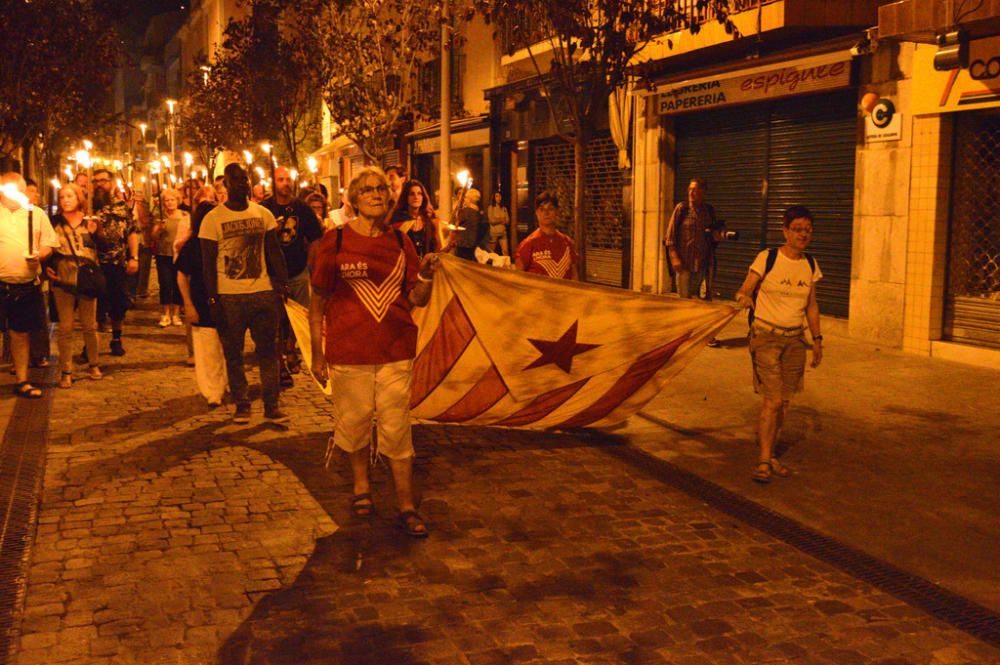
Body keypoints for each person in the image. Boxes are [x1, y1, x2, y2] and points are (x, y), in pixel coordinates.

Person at [309, 166, 439, 538]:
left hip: (396, 348)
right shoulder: (334, 242)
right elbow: (318, 301)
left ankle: (405, 503)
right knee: (355, 421)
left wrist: (427, 276)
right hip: (348, 349)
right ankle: (361, 488)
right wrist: (318, 354)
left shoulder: (401, 243)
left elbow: (415, 298)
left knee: (397, 426)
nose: (377, 194)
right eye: (367, 189)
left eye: (381, 188)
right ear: (352, 197)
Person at [734, 205, 823, 484]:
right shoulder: (767, 258)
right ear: (785, 231)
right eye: (797, 229)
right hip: (766, 337)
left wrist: (817, 340)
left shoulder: (810, 265)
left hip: (795, 340)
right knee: (772, 401)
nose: (803, 235)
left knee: (783, 403)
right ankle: (763, 459)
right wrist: (744, 297)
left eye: (807, 230)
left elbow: (811, 306)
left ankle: (770, 453)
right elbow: (744, 289)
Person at [200, 163, 289, 424]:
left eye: (245, 179)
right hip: (230, 296)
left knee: (268, 352)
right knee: (234, 354)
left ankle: (272, 404)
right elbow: (208, 263)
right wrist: (213, 299)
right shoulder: (213, 219)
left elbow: (274, 252)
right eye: (236, 180)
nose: (242, 184)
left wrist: (281, 285)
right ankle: (242, 404)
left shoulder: (263, 215)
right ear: (226, 185)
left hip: (262, 293)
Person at [0, 172, 59, 398]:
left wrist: (39, 255)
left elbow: (49, 244)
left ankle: (22, 380)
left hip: (25, 283)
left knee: (20, 333)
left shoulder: (36, 214)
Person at [46, 183, 102, 387]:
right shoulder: (54, 222)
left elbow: (101, 248)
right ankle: (66, 370)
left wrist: (96, 234)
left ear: (79, 198)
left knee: (89, 325)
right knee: (65, 327)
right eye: (62, 197)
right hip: (63, 276)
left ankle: (94, 363)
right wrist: (47, 268)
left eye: (70, 196)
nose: (65, 200)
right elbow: (47, 247)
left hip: (86, 276)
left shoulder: (90, 221)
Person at [177, 196, 227, 408]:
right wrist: (188, 304)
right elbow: (181, 274)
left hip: (225, 301)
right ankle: (212, 390)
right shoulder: (193, 245)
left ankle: (223, 383)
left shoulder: (223, 242)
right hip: (202, 301)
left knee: (225, 347)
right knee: (208, 350)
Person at [90, 168, 140, 358]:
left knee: (118, 303)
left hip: (117, 262)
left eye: (103, 180)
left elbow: (132, 232)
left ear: (111, 183)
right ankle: (91, 343)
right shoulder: (88, 206)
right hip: (94, 263)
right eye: (96, 181)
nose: (99, 184)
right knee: (95, 305)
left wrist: (133, 257)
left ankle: (116, 338)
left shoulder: (121, 207)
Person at [664, 178, 724, 300]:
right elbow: (670, 236)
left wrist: (718, 235)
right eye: (690, 189)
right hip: (684, 263)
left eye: (695, 190)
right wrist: (674, 257)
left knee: (702, 301)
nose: (691, 193)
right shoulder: (682, 209)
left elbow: (713, 234)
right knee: (684, 301)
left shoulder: (709, 211)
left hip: (703, 264)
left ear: (703, 192)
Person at [515, 191, 578, 280]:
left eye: (551, 209)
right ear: (537, 213)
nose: (546, 213)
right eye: (542, 209)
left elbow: (574, 275)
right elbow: (518, 278)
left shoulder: (567, 243)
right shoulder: (528, 244)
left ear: (557, 212)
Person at [152, 187, 188, 327]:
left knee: (178, 284)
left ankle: (176, 313)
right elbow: (153, 237)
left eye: (172, 200)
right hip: (163, 254)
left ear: (177, 200)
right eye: (167, 200)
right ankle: (165, 313)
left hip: (179, 254)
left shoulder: (184, 215)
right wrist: (158, 229)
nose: (169, 203)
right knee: (165, 284)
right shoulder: (161, 217)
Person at [389, 179, 440, 258]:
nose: (416, 197)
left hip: (426, 267)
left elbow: (437, 252)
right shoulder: (398, 220)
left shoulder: (428, 221)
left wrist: (450, 244)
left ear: (423, 197)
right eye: (412, 194)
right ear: (406, 197)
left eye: (419, 194)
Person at [453, 188, 485, 262]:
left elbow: (455, 222)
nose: (464, 199)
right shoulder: (477, 212)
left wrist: (458, 209)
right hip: (473, 244)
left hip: (463, 244)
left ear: (470, 199)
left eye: (466, 197)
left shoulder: (466, 212)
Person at [486, 191, 510, 256]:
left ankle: (506, 265)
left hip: (503, 233)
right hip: (494, 233)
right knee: (491, 252)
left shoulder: (504, 208)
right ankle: (490, 266)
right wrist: (501, 219)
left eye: (500, 196)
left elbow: (507, 220)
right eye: (496, 196)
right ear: (494, 197)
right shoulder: (491, 207)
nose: (499, 198)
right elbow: (491, 220)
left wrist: (498, 220)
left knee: (505, 251)